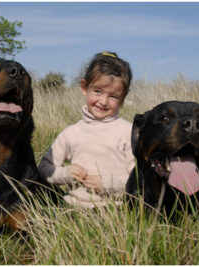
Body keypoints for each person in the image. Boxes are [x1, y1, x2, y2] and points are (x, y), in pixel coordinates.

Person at [38, 51, 135, 208]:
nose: (103, 101)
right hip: (73, 212)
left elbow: (138, 180)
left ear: (123, 97)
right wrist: (66, 174)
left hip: (117, 213)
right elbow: (44, 168)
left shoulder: (128, 132)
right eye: (97, 91)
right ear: (84, 87)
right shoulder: (71, 133)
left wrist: (107, 184)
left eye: (113, 96)